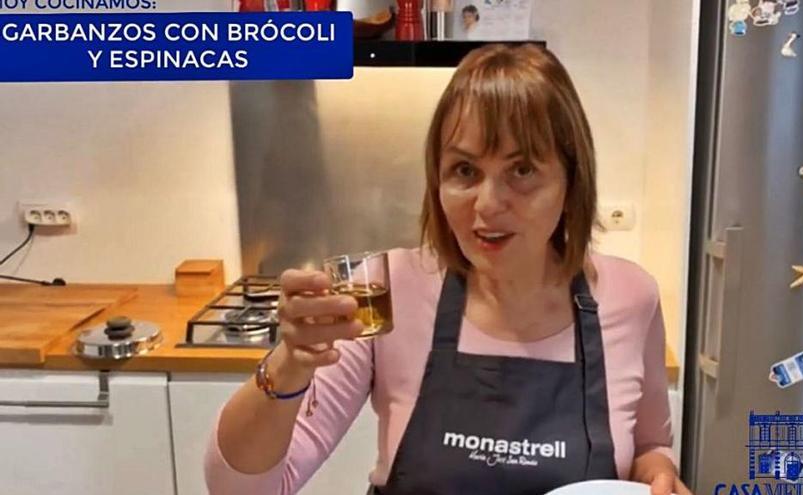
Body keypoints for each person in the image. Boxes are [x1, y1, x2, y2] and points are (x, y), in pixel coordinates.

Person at [205, 43, 693, 495]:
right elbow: (245, 488)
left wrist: (659, 476)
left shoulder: (630, 297)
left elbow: (651, 446)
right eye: (464, 171)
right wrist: (291, 362)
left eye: (522, 170)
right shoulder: (386, 290)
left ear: (571, 182)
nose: (488, 203)